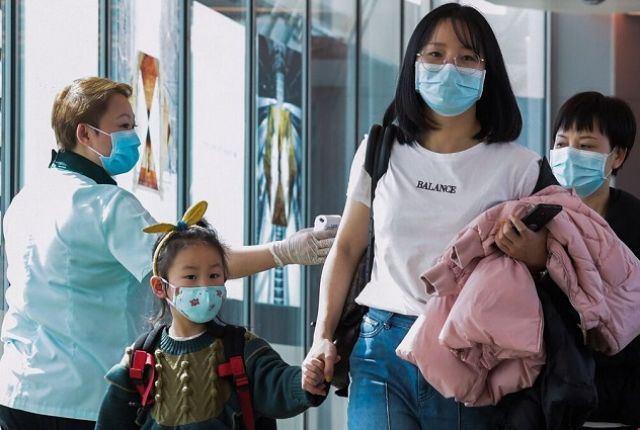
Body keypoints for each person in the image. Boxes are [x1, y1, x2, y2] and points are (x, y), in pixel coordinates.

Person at [0, 77, 334, 429]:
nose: (134, 137)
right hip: (80, 398)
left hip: (16, 390)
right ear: (85, 134)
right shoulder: (106, 204)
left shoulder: (26, 200)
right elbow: (190, 265)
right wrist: (284, 251)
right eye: (123, 126)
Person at [301, 3, 551, 429]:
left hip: (469, 349)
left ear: (487, 71)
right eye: (435, 54)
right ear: (414, 64)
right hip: (380, 347)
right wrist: (321, 337)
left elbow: (551, 263)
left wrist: (533, 254)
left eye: (467, 57)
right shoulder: (381, 148)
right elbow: (346, 248)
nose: (449, 67)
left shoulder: (520, 167)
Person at [95, 201, 326, 429]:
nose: (205, 286)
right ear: (160, 286)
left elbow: (279, 383)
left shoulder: (241, 348)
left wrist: (305, 381)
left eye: (214, 275)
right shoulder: (140, 359)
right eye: (191, 277)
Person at [501, 91, 639, 429]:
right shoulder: (531, 214)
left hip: (618, 402)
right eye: (562, 144)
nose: (570, 154)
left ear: (617, 156)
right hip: (541, 401)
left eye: (586, 146)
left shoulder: (633, 220)